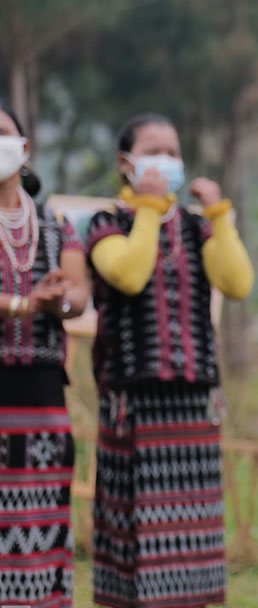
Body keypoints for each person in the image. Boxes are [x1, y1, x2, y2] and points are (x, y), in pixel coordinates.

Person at [88, 113, 253, 608]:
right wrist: (146, 208)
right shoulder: (105, 223)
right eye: (153, 151)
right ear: (126, 162)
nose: (166, 162)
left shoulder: (196, 229)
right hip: (134, 403)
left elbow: (237, 283)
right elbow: (128, 274)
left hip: (191, 403)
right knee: (133, 534)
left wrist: (219, 216)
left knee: (191, 540)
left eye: (173, 153)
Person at [0, 105, 88, 608]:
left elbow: (78, 297)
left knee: (40, 514)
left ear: (25, 148)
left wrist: (61, 299)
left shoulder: (55, 226)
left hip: (41, 396)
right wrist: (21, 304)